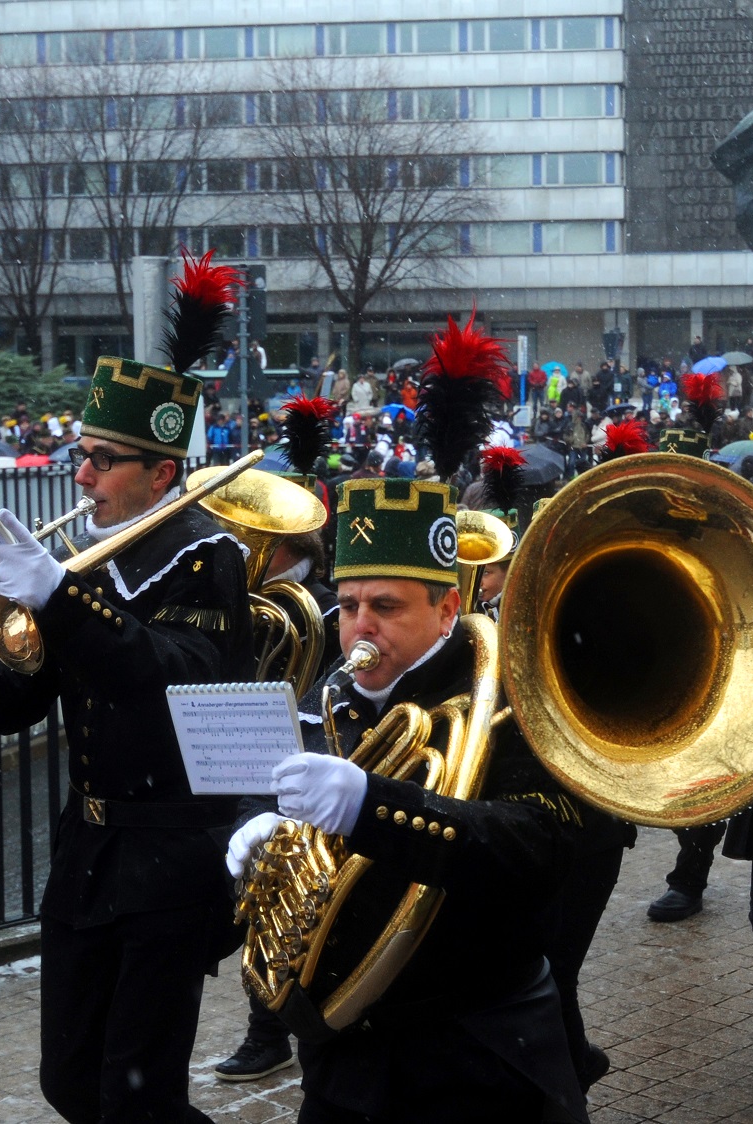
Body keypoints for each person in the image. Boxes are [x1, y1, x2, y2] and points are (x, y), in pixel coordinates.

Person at [0, 348, 254, 1122]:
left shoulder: (207, 556)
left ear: (161, 473)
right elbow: (27, 699)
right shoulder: (87, 562)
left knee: (137, 1095)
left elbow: (172, 674)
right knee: (69, 1082)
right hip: (89, 853)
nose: (82, 476)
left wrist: (62, 598)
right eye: (83, 456)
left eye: (102, 461)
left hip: (171, 853)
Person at [227, 476, 588, 1122]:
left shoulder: (514, 701)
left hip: (477, 1056)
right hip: (346, 1062)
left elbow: (541, 847)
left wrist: (372, 807)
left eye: (386, 607)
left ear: (448, 610)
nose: (359, 627)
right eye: (348, 606)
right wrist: (256, 828)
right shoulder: (327, 696)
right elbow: (266, 792)